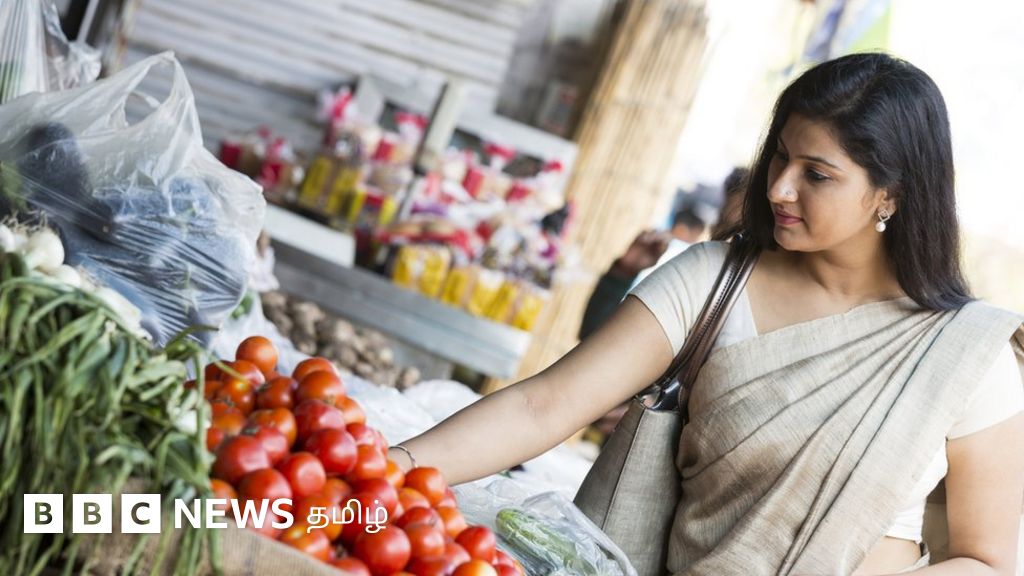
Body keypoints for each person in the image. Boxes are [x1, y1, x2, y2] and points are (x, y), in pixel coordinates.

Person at [388, 53, 1024, 575]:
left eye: (817, 174)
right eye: (780, 157)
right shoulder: (714, 281)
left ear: (892, 192)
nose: (778, 187)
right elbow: (543, 406)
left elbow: (985, 560)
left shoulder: (968, 353)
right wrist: (371, 481)